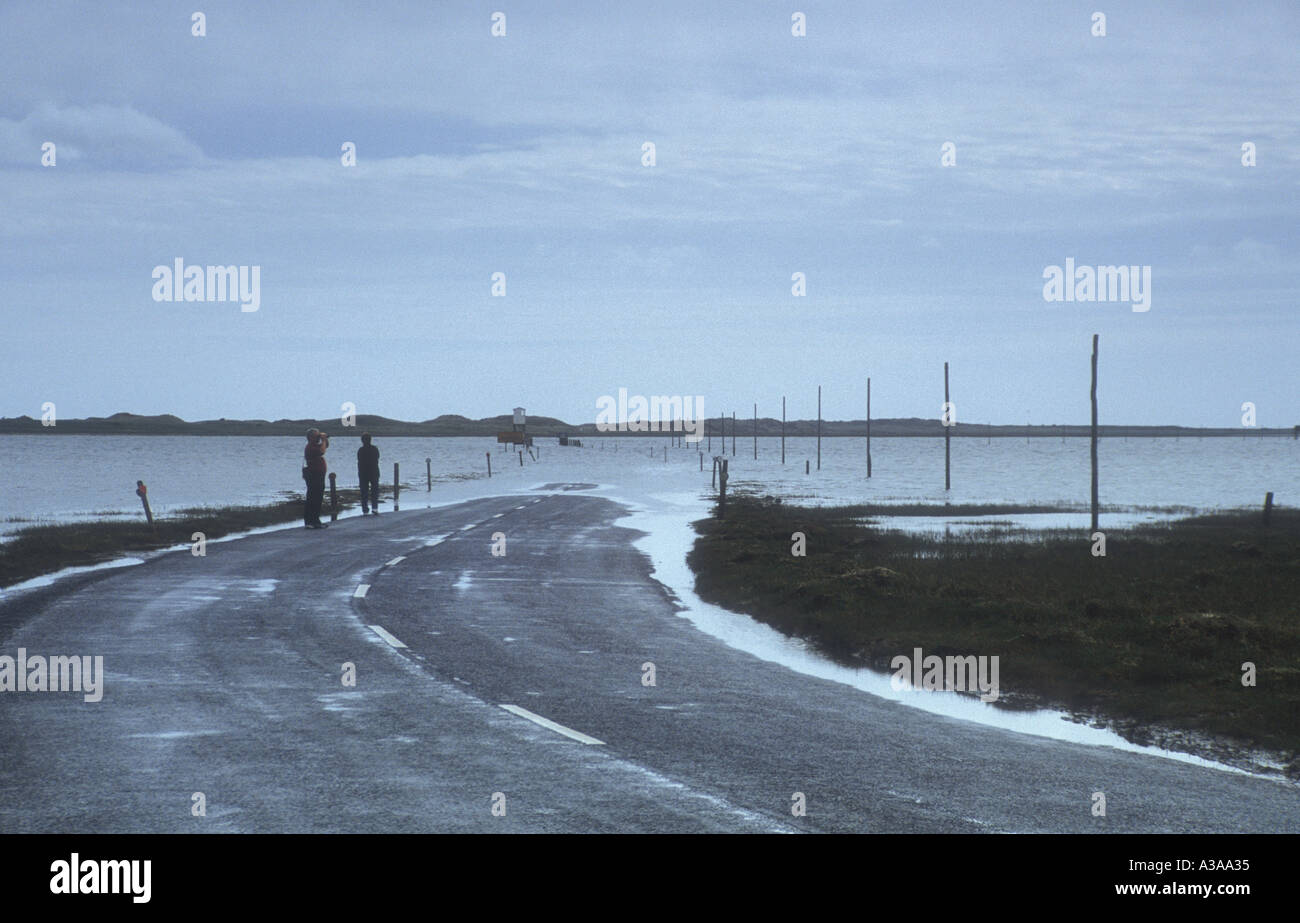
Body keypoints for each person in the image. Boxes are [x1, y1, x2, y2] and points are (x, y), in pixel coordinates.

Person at [303, 428, 330, 529]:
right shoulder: (310, 447)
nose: (318, 437)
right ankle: (309, 521)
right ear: (311, 437)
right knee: (312, 497)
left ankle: (315, 520)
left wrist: (325, 439)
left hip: (319, 474)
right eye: (316, 436)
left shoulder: (314, 445)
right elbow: (322, 451)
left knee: (318, 498)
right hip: (314, 474)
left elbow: (326, 446)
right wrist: (322, 439)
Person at [357, 432, 381, 514]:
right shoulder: (374, 449)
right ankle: (374, 508)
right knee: (374, 491)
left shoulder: (361, 450)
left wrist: (359, 474)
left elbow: (359, 462)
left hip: (363, 473)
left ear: (362, 441)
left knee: (364, 492)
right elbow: (377, 458)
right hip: (374, 472)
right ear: (370, 440)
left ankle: (365, 509)